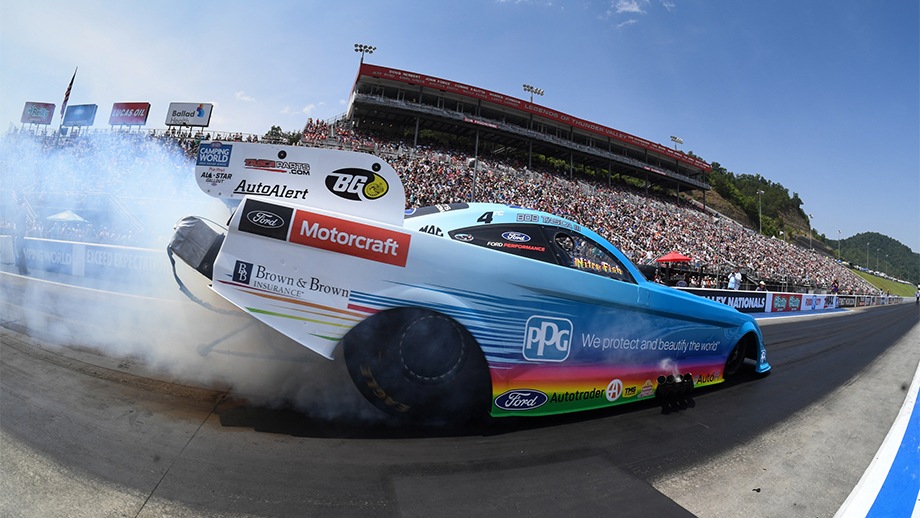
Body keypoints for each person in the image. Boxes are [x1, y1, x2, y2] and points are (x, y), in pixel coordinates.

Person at [14, 199, 29, 275]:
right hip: (20, 237)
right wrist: (23, 207)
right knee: (21, 254)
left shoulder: (19, 214)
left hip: (20, 237)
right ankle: (22, 270)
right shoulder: (20, 213)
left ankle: (22, 270)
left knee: (21, 254)